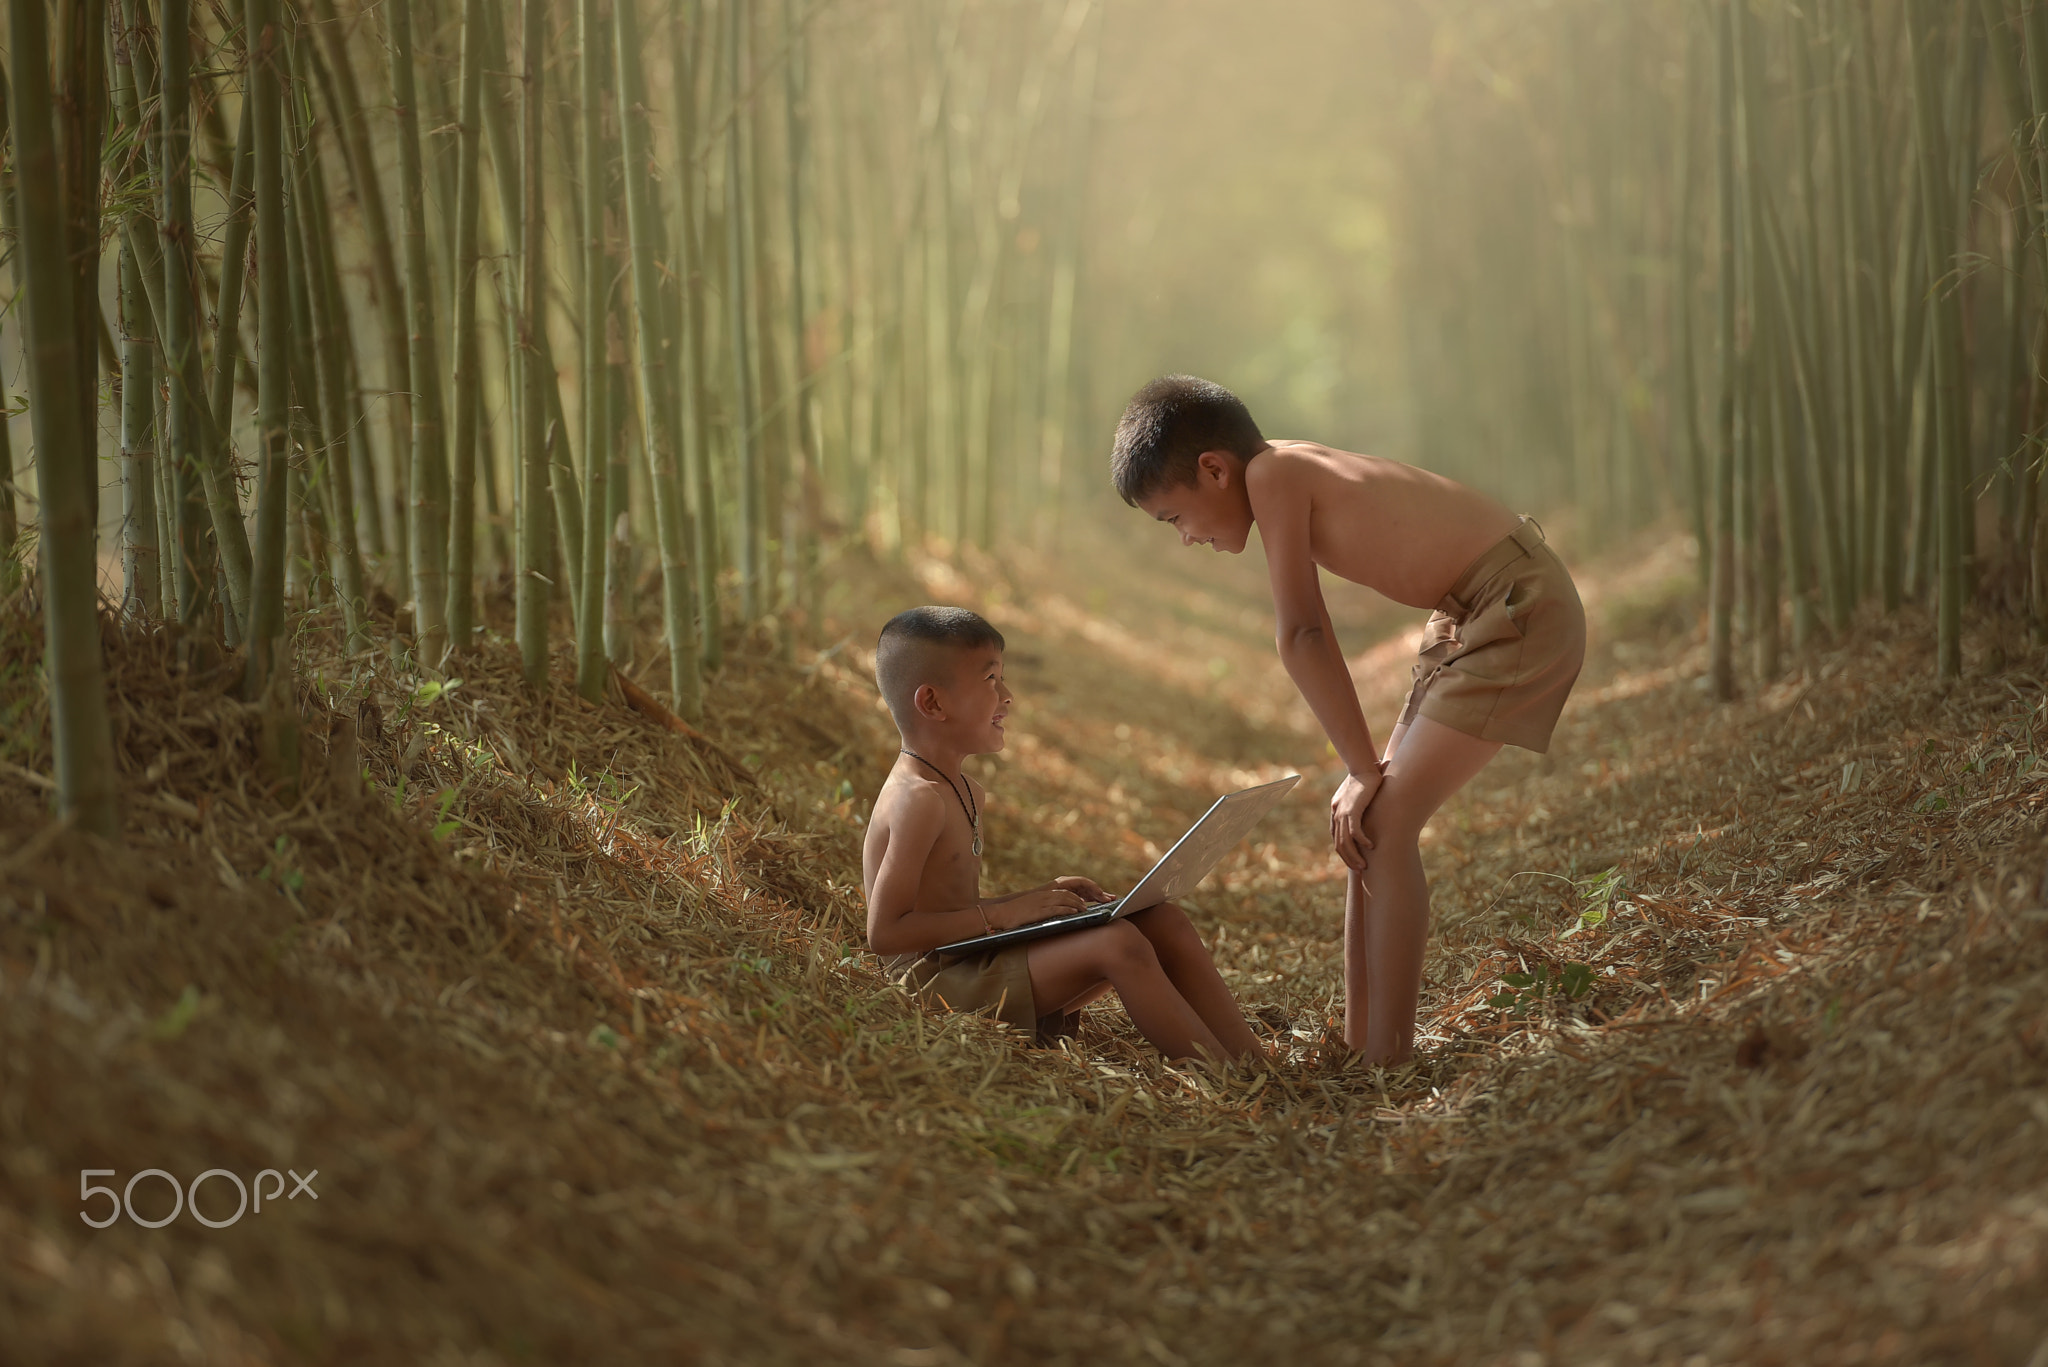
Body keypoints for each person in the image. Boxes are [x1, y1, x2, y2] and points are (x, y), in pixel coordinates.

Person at [1110, 375, 1585, 1065]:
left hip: (1514, 604)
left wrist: (1364, 767)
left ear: (1214, 469)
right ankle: (1362, 1051)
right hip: (1468, 611)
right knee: (1366, 828)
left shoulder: (1273, 474)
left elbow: (1302, 632)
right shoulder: (1278, 467)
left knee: (1386, 823)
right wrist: (1361, 773)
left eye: (1174, 518)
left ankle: (1387, 1061)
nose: (1184, 538)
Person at [861, 605, 1264, 1063]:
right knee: (1118, 943)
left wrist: (1041, 900)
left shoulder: (964, 788)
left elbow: (949, 911)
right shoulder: (917, 799)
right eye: (990, 680)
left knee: (1160, 921)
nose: (1008, 696)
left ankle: (1255, 1064)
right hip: (931, 986)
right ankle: (1228, 1084)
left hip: (967, 957)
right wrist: (1011, 913)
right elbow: (886, 934)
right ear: (933, 703)